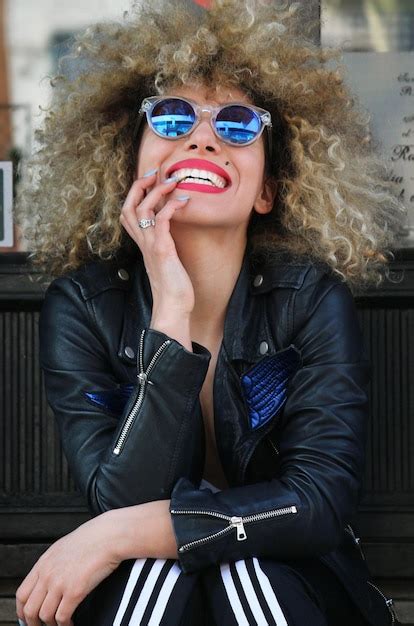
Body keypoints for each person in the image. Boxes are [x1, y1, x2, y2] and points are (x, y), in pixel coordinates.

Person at [15, 1, 405, 624]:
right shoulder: (83, 307)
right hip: (147, 588)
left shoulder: (310, 299)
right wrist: (171, 308)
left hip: (296, 579)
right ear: (130, 163)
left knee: (237, 570)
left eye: (239, 123)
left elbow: (315, 504)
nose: (202, 137)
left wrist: (114, 536)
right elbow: (123, 495)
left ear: (269, 189)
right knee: (157, 578)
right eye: (171, 119)